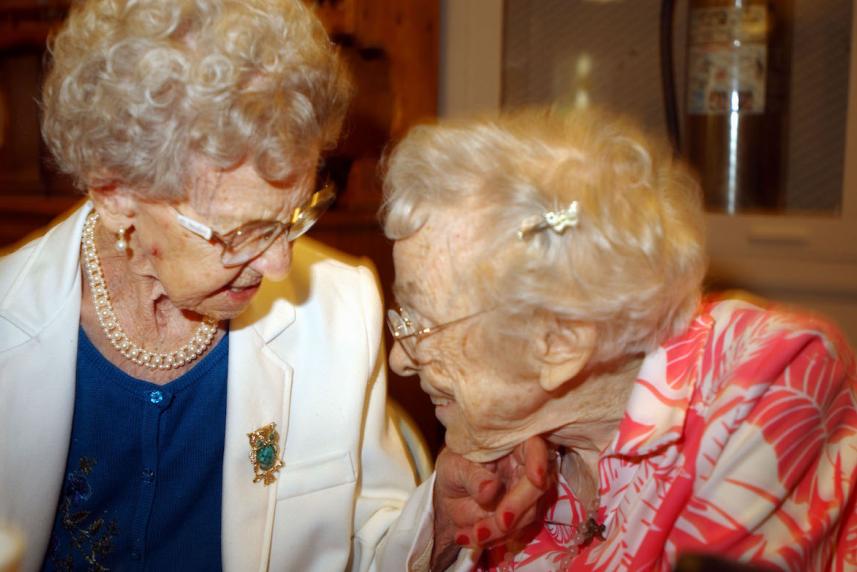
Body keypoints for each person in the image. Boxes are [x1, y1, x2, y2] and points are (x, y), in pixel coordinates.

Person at [0, 1, 548, 570]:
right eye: (243, 232)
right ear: (114, 192)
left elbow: (371, 543)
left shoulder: (339, 309)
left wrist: (436, 518)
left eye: (295, 216)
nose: (281, 266)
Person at [382, 107, 857, 571]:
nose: (400, 358)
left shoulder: (770, 377)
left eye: (421, 325)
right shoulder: (520, 438)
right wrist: (444, 531)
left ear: (559, 343)